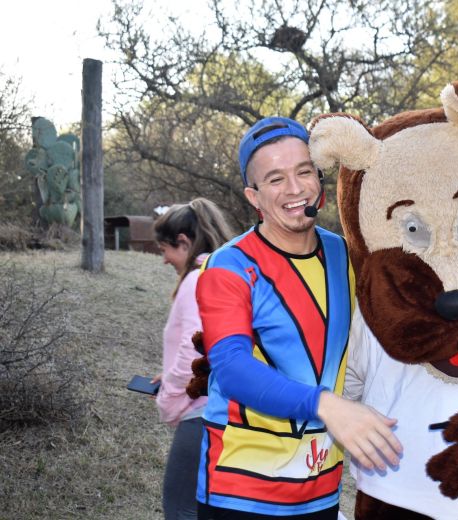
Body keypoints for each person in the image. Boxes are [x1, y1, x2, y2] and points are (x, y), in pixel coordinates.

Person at [194, 117, 403, 519]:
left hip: (320, 490)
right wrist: (328, 405)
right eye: (275, 179)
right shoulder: (230, 266)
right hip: (240, 494)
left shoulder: (346, 253)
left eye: (303, 171)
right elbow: (233, 369)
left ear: (319, 179)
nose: (294, 189)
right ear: (253, 197)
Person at [153, 198, 235, 520]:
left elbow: (194, 348)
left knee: (181, 508)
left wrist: (170, 396)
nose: (164, 260)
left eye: (165, 250)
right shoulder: (226, 272)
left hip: (200, 414)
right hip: (226, 408)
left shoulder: (196, 280)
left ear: (184, 242)